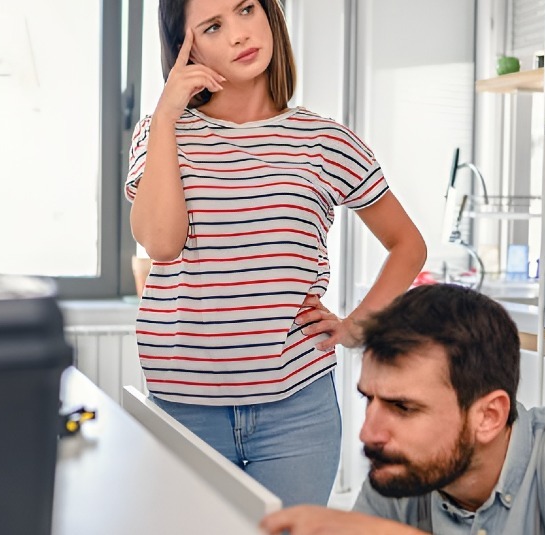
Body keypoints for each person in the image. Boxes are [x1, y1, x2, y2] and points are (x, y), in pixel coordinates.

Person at [124, 0, 426, 508]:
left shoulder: (325, 141)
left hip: (297, 413)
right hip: (183, 409)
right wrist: (166, 118)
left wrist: (356, 327)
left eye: (247, 9)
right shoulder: (162, 134)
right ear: (185, 49)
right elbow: (160, 242)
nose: (239, 34)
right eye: (213, 26)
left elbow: (408, 245)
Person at [261, 284, 545, 534]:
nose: (369, 434)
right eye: (368, 399)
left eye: (403, 407)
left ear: (489, 416)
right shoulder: (400, 472)